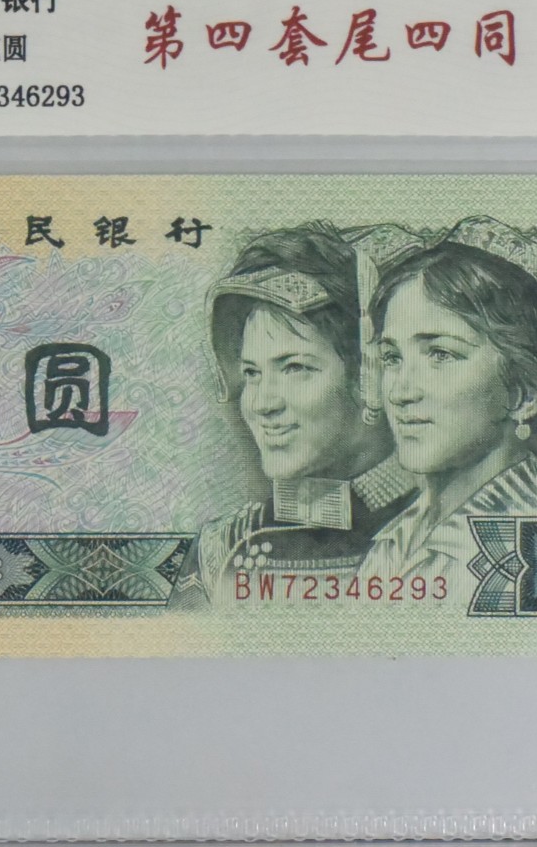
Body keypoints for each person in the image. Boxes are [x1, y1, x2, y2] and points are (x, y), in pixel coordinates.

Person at [168, 221, 424, 608]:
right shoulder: (222, 550)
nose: (262, 403)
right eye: (252, 373)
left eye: (294, 368)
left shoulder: (448, 532)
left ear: (369, 375)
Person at [356, 216, 537, 586]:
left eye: (440, 354)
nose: (399, 393)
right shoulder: (396, 540)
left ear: (523, 395)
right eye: (392, 358)